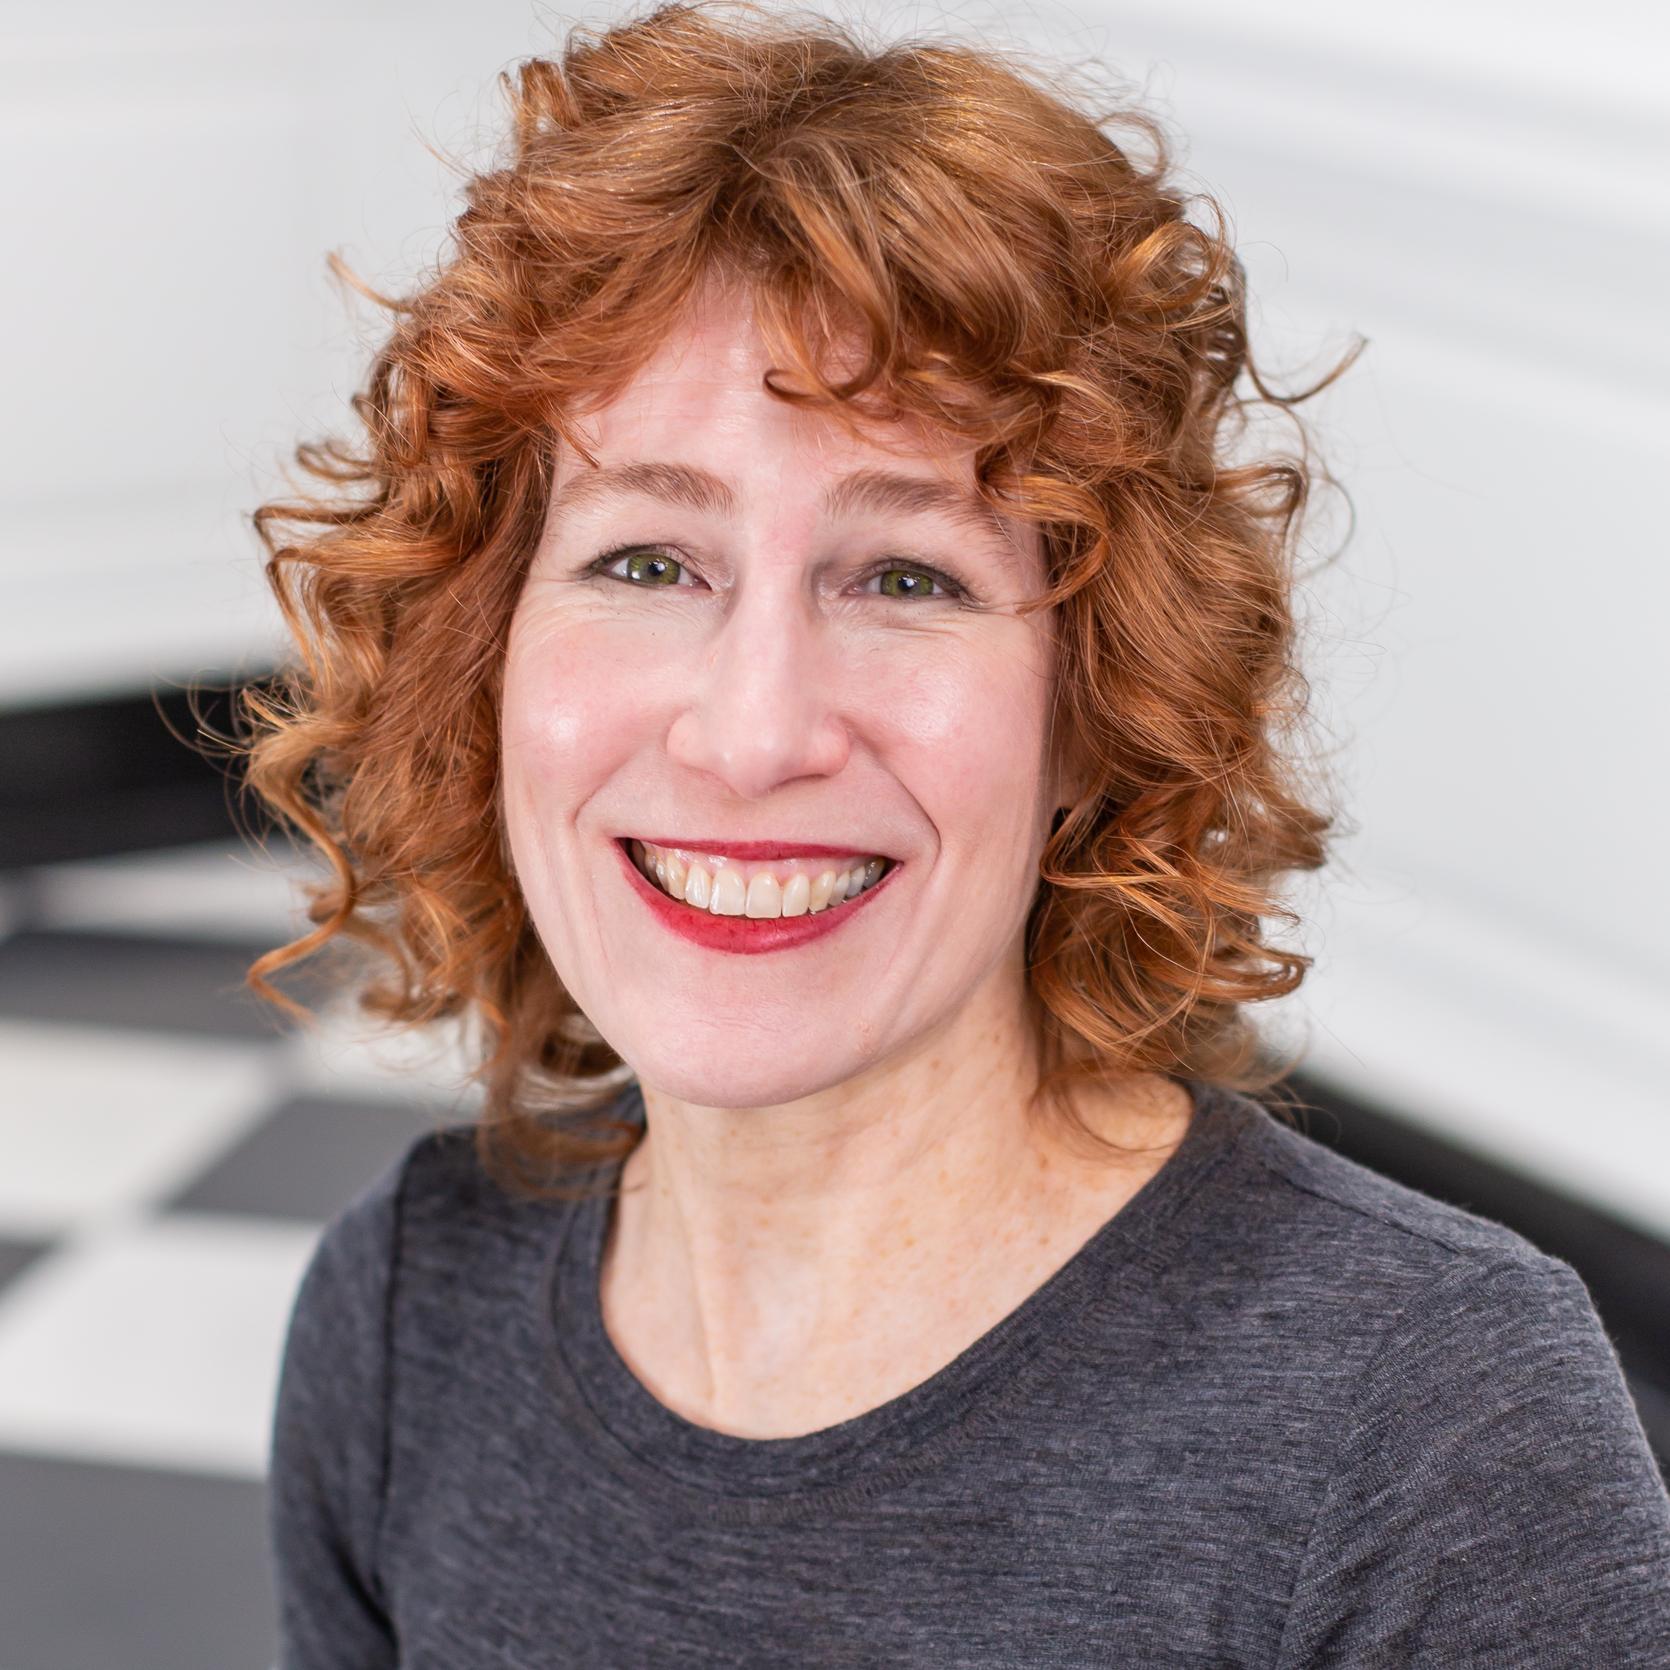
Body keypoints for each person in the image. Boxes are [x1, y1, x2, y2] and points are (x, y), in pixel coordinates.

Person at [245, 4, 1670, 1664]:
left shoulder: (1428, 1429)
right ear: (483, 661)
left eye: (905, 576)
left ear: (1096, 708)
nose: (755, 729)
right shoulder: (409, 1315)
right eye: (647, 563)